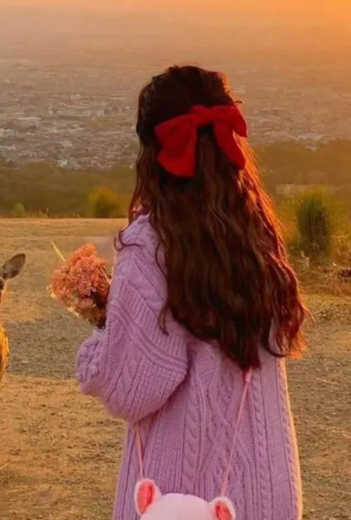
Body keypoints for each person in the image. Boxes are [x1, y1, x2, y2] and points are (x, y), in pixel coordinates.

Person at [76, 65, 307, 520]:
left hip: (181, 495)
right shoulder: (255, 232)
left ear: (152, 154)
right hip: (266, 488)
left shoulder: (152, 245)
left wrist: (97, 348)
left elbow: (133, 388)